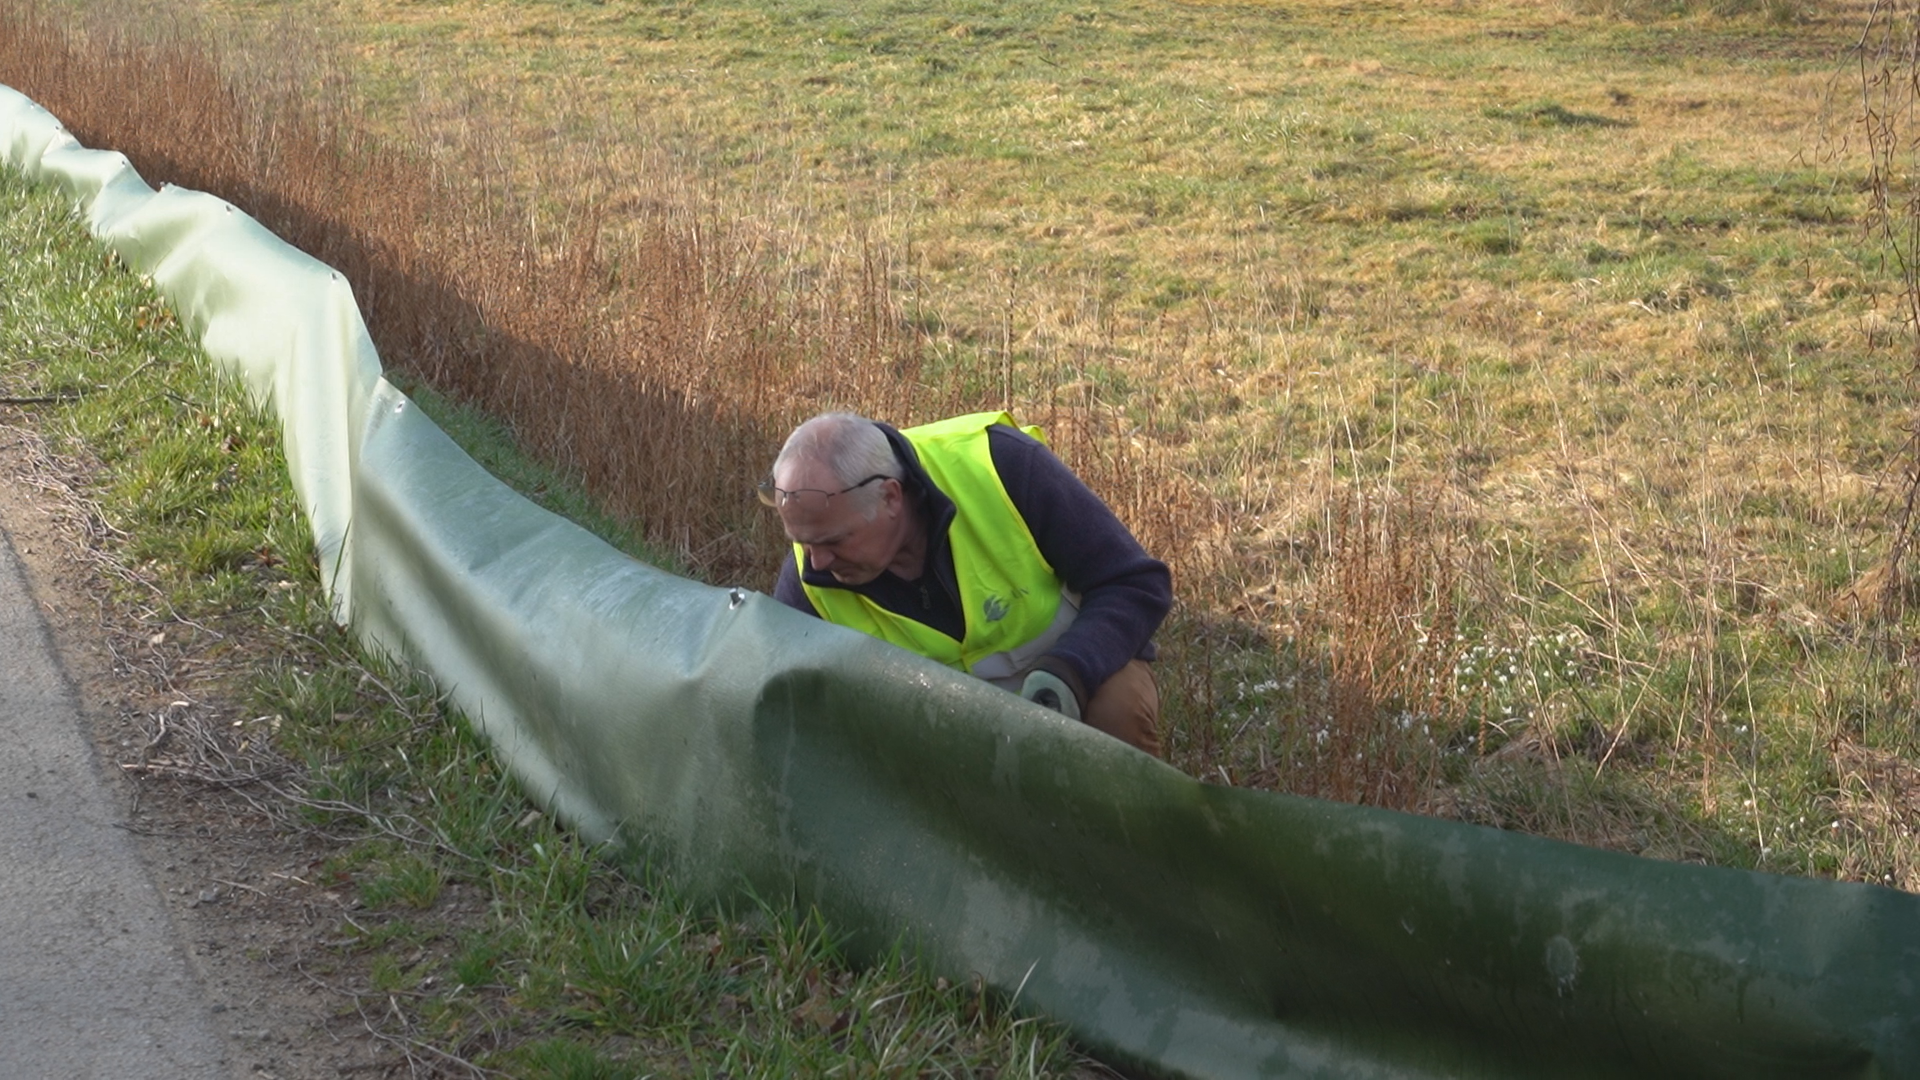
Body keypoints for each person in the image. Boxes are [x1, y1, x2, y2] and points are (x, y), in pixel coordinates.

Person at [762, 410, 1171, 756]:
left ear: (890, 498)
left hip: (1073, 671)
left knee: (1116, 716)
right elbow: (784, 704)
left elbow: (1134, 582)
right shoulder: (807, 579)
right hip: (943, 730)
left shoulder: (998, 466)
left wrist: (1072, 671)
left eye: (834, 541)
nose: (818, 562)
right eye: (802, 543)